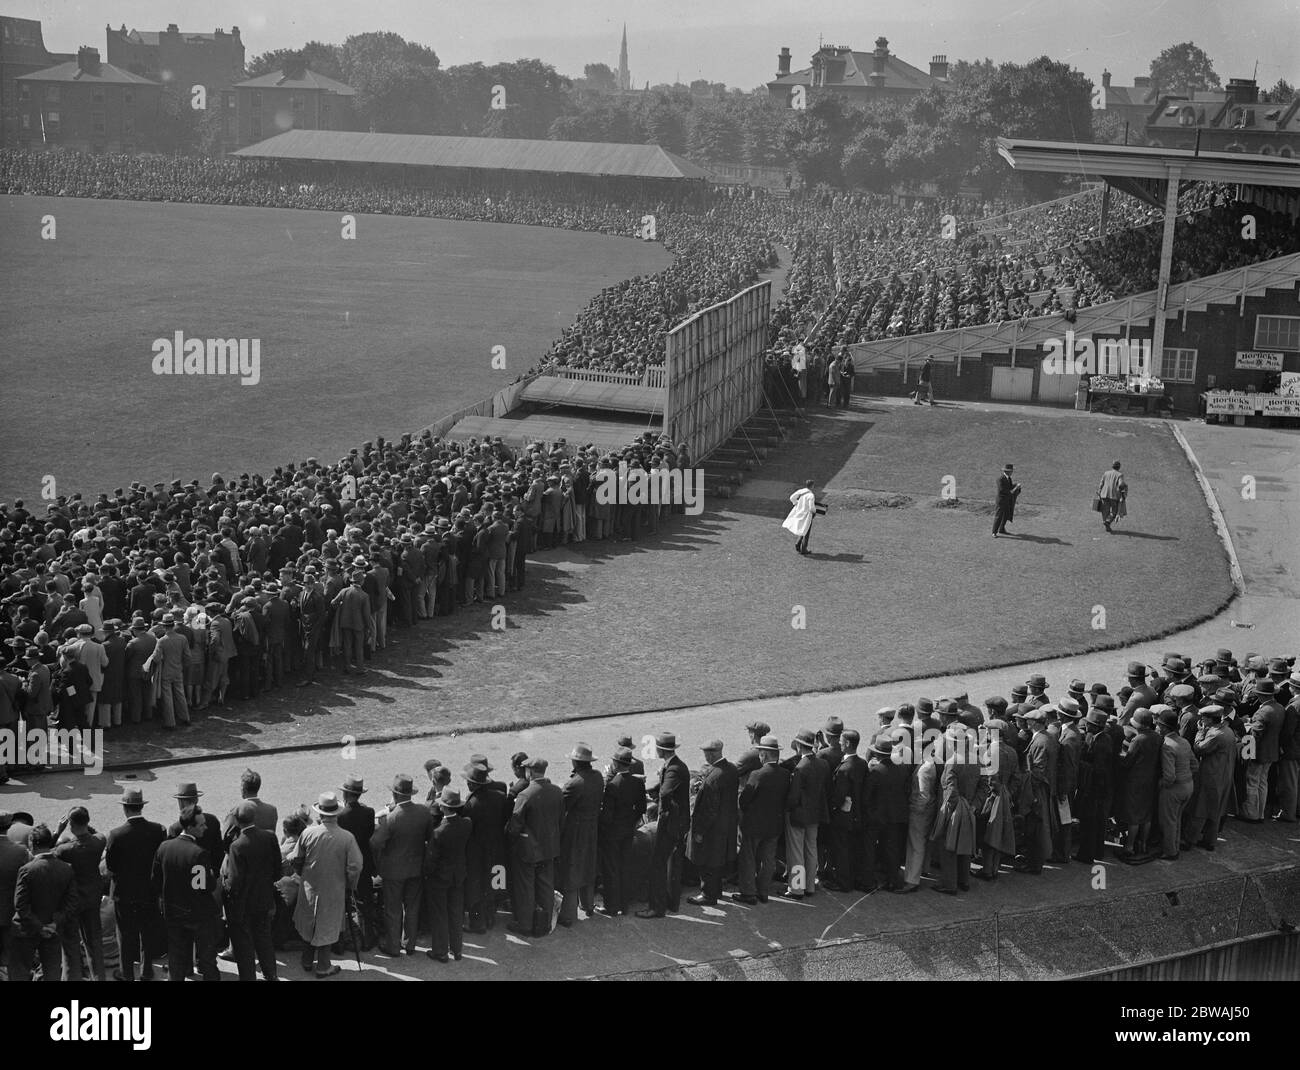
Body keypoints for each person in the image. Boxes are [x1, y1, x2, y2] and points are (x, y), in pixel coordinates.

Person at [293, 792, 362, 978]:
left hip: (310, 886)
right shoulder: (347, 838)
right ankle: (324, 966)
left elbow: (295, 859)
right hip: (334, 888)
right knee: (327, 925)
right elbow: (355, 866)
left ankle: (307, 960)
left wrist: (303, 874)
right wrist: (350, 885)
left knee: (310, 923)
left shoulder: (308, 833)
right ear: (336, 814)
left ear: (319, 813)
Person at [104, 786, 166, 982]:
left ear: (125, 808)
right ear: (141, 806)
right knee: (147, 934)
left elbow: (111, 867)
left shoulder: (116, 834)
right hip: (149, 892)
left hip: (124, 894)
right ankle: (147, 971)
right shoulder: (157, 830)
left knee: (125, 937)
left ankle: (127, 974)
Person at [152, 805, 220, 982]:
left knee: (176, 955)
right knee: (207, 958)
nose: (205, 827)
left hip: (173, 911)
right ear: (189, 827)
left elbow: (156, 881)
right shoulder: (198, 853)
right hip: (198, 913)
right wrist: (210, 875)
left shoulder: (163, 848)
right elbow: (204, 886)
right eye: (201, 825)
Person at [370, 773, 432, 957]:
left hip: (393, 871)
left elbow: (375, 843)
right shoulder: (423, 812)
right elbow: (430, 837)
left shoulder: (391, 818)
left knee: (393, 910)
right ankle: (410, 944)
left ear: (395, 795)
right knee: (412, 907)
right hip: (416, 867)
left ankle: (393, 947)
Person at [222, 800, 280, 981]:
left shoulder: (237, 846)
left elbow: (235, 880)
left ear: (237, 822)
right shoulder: (270, 837)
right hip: (264, 898)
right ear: (254, 817)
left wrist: (225, 886)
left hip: (244, 904)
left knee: (244, 945)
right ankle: (271, 975)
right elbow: (277, 869)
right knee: (264, 939)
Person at [507, 756, 564, 937]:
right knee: (546, 886)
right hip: (549, 848)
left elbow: (514, 825)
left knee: (526, 887)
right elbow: (561, 820)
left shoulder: (525, 795)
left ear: (529, 772)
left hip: (528, 850)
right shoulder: (556, 791)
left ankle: (525, 925)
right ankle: (544, 924)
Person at [731, 735, 790, 904]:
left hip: (754, 824)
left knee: (748, 858)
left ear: (764, 754)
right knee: (768, 860)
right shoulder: (785, 774)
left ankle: (748, 893)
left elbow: (744, 801)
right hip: (774, 824)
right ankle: (763, 892)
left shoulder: (757, 774)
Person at [51, 805, 106, 981]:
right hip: (93, 896)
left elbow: (46, 853)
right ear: (87, 821)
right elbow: (96, 833)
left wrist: (57, 831)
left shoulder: (65, 849)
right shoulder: (99, 841)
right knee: (94, 943)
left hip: (72, 900)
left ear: (70, 825)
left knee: (70, 945)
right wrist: (84, 824)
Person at [639, 732, 690, 917]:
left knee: (657, 865)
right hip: (679, 822)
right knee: (672, 864)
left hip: (671, 824)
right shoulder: (676, 766)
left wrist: (660, 805)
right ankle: (671, 903)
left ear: (661, 750)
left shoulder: (674, 769)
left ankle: (656, 908)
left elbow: (666, 792)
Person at [686, 739, 739, 906]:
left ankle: (708, 894)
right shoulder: (730, 769)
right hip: (727, 823)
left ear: (711, 754)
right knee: (718, 860)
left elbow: (709, 809)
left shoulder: (714, 776)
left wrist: (700, 831)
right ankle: (715, 891)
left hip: (712, 828)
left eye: (706, 753)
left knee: (707, 862)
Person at [557, 742, 603, 927]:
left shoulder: (574, 783)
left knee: (571, 869)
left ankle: (568, 915)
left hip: (575, 831)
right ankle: (588, 904)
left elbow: (562, 805)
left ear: (576, 762)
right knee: (588, 865)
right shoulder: (598, 777)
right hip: (592, 828)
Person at [424, 787, 471, 963]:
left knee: (439, 914)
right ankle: (457, 950)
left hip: (440, 877)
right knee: (455, 913)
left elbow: (430, 860)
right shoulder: (466, 824)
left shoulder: (438, 832)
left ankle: (440, 951)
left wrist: (427, 873)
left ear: (443, 807)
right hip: (458, 875)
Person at [596, 747, 645, 917]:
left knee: (610, 870)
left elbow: (607, 816)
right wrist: (631, 822)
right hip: (628, 830)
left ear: (616, 764)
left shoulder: (612, 785)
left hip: (612, 834)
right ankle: (624, 905)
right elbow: (641, 808)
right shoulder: (638, 783)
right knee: (624, 867)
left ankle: (610, 906)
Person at [462, 762, 508, 932]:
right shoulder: (500, 796)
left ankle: (478, 923)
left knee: (477, 887)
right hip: (497, 849)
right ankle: (491, 918)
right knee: (495, 884)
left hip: (477, 853)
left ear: (473, 784)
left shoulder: (471, 803)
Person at [1156, 710, 1198, 859]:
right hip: (1188, 786)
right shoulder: (1184, 741)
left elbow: (1169, 776)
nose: (1157, 727)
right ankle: (1175, 846)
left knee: (1168, 821)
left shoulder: (1167, 745)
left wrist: (1160, 784)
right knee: (1177, 819)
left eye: (1159, 725)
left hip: (1173, 789)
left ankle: (1170, 852)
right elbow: (1195, 765)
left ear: (1165, 728)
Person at [782, 481, 819, 556]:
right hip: (807, 515)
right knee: (806, 531)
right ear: (812, 486)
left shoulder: (801, 491)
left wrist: (796, 503)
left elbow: (792, 497)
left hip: (799, 512)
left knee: (803, 529)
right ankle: (803, 549)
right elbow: (811, 507)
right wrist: (815, 511)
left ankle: (798, 543)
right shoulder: (811, 495)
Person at [1097, 460, 1127, 532]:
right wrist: (1123, 493)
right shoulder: (1120, 475)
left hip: (1104, 494)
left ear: (1112, 466)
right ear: (1119, 467)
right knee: (1114, 511)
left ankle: (1106, 523)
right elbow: (1121, 485)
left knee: (1105, 510)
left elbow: (1101, 483)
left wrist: (1099, 491)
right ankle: (1108, 521)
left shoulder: (1106, 473)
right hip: (1114, 495)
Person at [992, 464, 1021, 537]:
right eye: (1011, 471)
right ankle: (994, 532)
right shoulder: (1000, 479)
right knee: (999, 516)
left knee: (1006, 515)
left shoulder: (1009, 478)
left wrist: (1015, 485)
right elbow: (1002, 490)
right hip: (1001, 501)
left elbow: (1010, 486)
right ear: (1007, 471)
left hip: (1007, 500)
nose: (1012, 472)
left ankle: (1001, 529)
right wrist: (1014, 489)